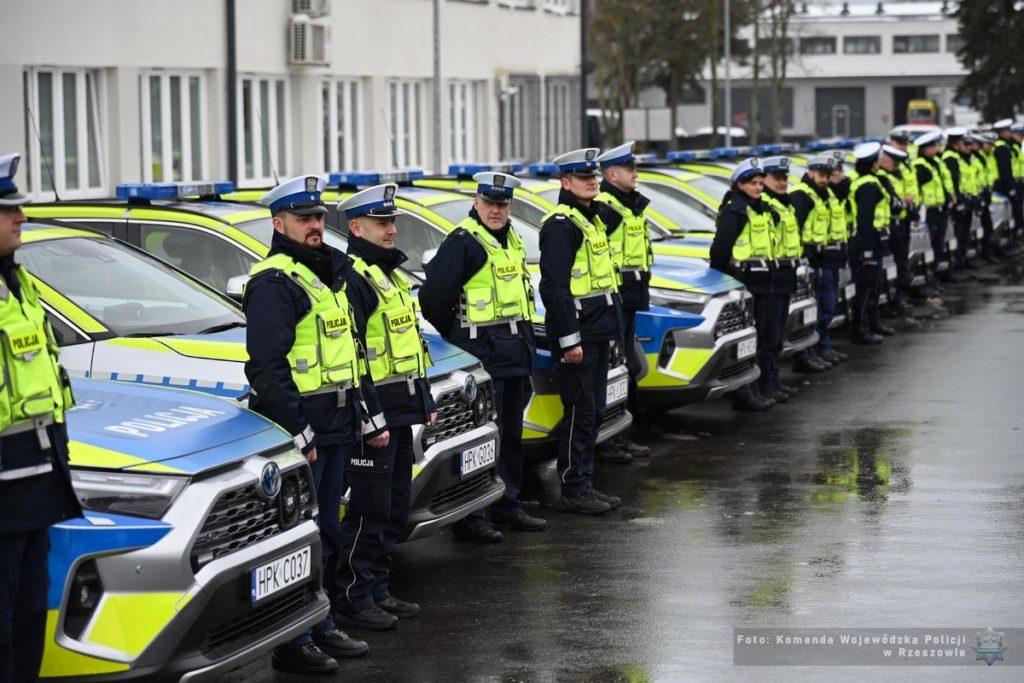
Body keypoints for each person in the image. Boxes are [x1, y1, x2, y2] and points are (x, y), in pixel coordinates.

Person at [245, 174, 378, 673]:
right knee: (299, 537)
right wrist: (299, 433)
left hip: (337, 422)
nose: (316, 225)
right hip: (306, 432)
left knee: (327, 529)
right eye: (305, 219)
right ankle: (294, 640)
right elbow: (266, 366)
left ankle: (320, 624)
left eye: (320, 217)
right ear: (279, 224)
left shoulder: (324, 275)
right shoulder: (275, 281)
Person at [419, 171, 546, 542]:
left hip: (515, 354)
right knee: (479, 440)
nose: (496, 210)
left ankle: (507, 504)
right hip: (484, 357)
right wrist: (461, 342)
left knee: (509, 436)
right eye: (490, 203)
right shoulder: (463, 242)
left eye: (502, 204)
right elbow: (432, 301)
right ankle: (472, 517)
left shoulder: (511, 239)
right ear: (477, 202)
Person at [333, 183, 437, 631]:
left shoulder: (389, 275)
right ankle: (354, 597)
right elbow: (353, 358)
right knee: (368, 509)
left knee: (393, 506)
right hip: (375, 417)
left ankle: (377, 587)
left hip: (401, 410)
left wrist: (425, 397)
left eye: (392, 222)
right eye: (381, 223)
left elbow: (410, 346)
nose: (391, 230)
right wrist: (370, 418)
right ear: (357, 227)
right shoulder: (354, 279)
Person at [0, 152, 82, 683]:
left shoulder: (18, 283)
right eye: (8, 211)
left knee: (30, 614)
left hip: (36, 479)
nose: (21, 218)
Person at [538, 148, 624, 514]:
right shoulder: (561, 226)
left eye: (594, 177)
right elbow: (554, 288)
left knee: (595, 411)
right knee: (580, 412)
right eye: (583, 178)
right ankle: (574, 488)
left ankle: (585, 482)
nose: (592, 182)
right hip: (579, 337)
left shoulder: (589, 219)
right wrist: (569, 339)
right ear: (565, 182)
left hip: (598, 330)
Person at [593, 141, 653, 461]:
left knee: (625, 368)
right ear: (612, 173)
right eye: (630, 169)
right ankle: (607, 440)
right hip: (613, 299)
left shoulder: (628, 205)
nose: (635, 174)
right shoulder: (605, 207)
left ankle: (620, 433)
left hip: (630, 296)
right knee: (613, 371)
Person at [709, 158, 780, 411]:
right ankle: (743, 392)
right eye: (753, 183)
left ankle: (757, 386)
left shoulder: (759, 208)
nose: (759, 187)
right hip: (745, 284)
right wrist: (725, 283)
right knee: (746, 341)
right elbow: (719, 251)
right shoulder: (735, 210)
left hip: (762, 282)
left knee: (762, 337)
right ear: (739, 184)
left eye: (761, 183)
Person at [761, 155, 822, 393]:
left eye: (785, 178)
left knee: (777, 334)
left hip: (787, 275)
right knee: (767, 335)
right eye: (777, 178)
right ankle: (766, 383)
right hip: (772, 278)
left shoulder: (784, 204)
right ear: (764, 178)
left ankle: (773, 380)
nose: (783, 182)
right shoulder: (765, 206)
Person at [790, 154, 847, 366]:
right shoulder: (801, 195)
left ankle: (822, 346)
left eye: (828, 175)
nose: (825, 179)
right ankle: (806, 354)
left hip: (828, 258)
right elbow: (795, 232)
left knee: (827, 308)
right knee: (814, 310)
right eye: (821, 175)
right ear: (810, 172)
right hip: (811, 261)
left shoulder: (825, 193)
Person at [848, 142, 893, 345]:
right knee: (865, 288)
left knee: (874, 286)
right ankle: (860, 330)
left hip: (873, 241)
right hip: (867, 242)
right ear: (874, 164)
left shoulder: (869, 182)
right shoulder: (867, 186)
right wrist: (866, 252)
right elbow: (865, 220)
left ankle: (873, 323)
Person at [882, 131, 919, 316]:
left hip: (902, 221)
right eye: (893, 160)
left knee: (901, 264)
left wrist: (912, 208)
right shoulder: (883, 177)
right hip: (890, 225)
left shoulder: (901, 170)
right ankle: (892, 301)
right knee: (892, 265)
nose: (896, 164)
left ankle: (898, 298)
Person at [912, 131, 949, 298]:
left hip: (939, 209)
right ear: (925, 148)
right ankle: (925, 283)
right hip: (928, 211)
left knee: (938, 247)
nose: (937, 148)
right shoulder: (920, 166)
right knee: (928, 249)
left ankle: (932, 280)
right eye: (934, 146)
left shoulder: (935, 162)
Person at [941, 127, 973, 281]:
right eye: (961, 141)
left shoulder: (955, 155)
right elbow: (952, 182)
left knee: (964, 236)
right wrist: (957, 202)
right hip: (956, 203)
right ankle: (957, 267)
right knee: (959, 236)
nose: (964, 144)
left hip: (962, 200)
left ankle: (962, 265)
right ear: (957, 142)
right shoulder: (950, 157)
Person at [992, 119, 1021, 247]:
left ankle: (1013, 240)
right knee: (1011, 214)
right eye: (1008, 131)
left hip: (1009, 184)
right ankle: (1009, 241)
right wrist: (1011, 188)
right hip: (1004, 186)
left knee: (1015, 214)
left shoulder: (1007, 145)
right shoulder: (1002, 148)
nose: (1010, 132)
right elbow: (1005, 170)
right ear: (1002, 133)